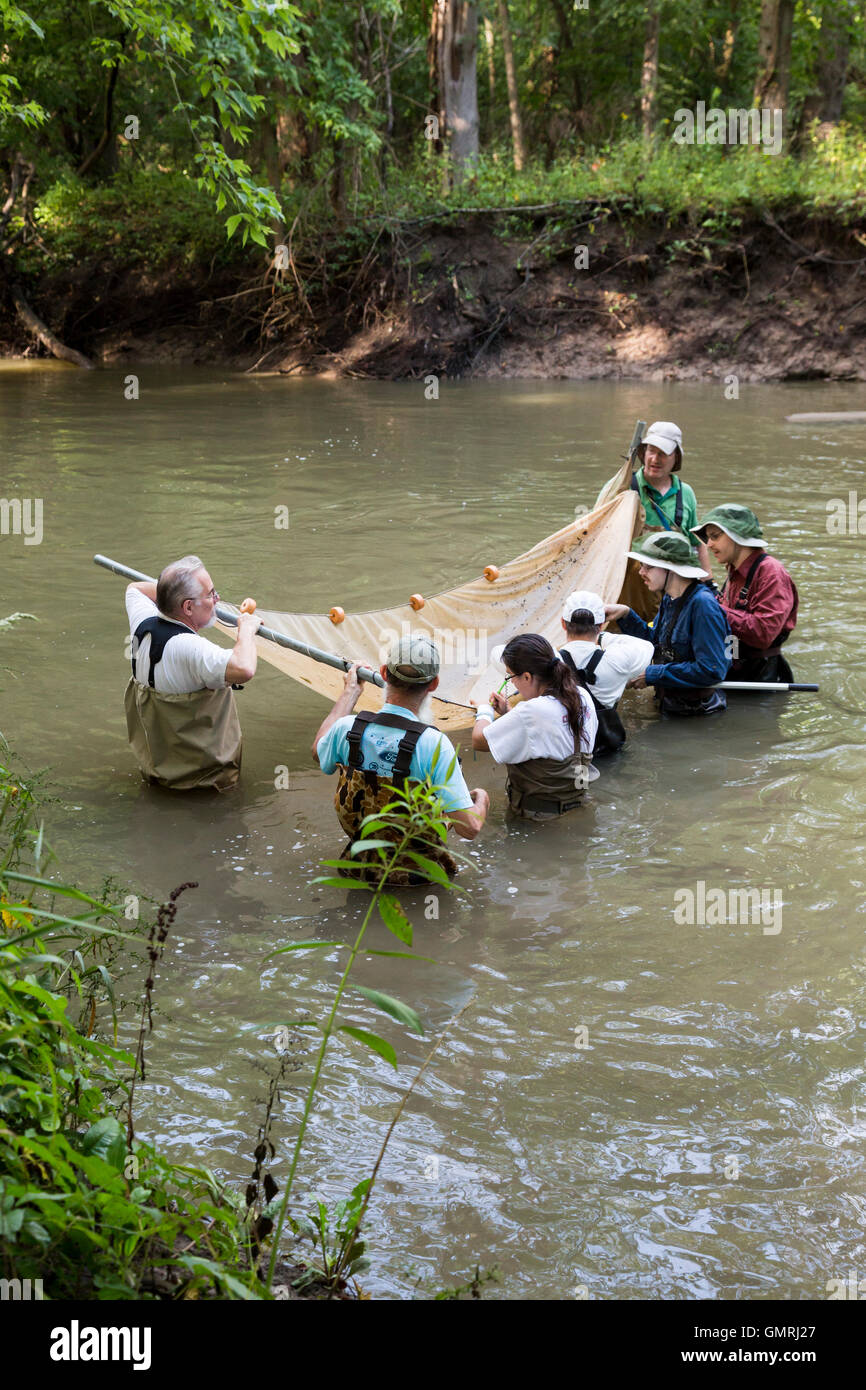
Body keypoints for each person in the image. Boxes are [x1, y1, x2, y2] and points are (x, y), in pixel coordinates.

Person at [313, 634, 487, 886]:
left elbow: (319, 751)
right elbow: (469, 828)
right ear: (434, 683)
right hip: (420, 880)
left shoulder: (347, 729)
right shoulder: (433, 744)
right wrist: (482, 798)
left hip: (359, 870)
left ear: (383, 672)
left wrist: (350, 693)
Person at [124, 556, 260, 791]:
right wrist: (246, 629)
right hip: (207, 787)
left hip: (157, 774)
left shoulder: (141, 619)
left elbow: (134, 588)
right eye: (210, 594)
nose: (217, 599)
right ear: (187, 607)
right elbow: (245, 668)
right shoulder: (190, 649)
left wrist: (171, 591)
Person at [471, 634, 598, 821]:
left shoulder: (531, 711)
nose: (511, 682)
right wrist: (509, 712)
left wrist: (483, 711)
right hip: (579, 806)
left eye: (511, 676)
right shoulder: (582, 695)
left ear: (527, 676)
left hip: (538, 818)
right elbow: (548, 729)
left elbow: (479, 741)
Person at [605, 532, 731, 716]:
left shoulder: (703, 605)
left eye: (648, 567)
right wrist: (625, 614)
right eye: (642, 566)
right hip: (671, 703)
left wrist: (653, 675)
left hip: (697, 713)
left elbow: (711, 670)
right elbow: (656, 643)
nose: (641, 572)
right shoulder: (670, 598)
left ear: (671, 569)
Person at [598, 421, 711, 621]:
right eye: (651, 450)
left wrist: (708, 581)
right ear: (642, 453)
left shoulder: (686, 493)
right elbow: (595, 537)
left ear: (676, 457)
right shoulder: (622, 487)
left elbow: (697, 542)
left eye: (663, 453)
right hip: (629, 591)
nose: (654, 459)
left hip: (672, 594)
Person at [693, 504, 799, 684]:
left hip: (761, 678)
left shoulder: (771, 573)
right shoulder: (733, 569)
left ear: (737, 536)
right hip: (733, 667)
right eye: (708, 538)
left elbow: (763, 634)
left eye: (715, 537)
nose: (709, 544)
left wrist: (712, 610)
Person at [558, 589, 654, 756]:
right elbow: (647, 646)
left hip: (565, 751)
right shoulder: (618, 659)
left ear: (563, 624)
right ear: (601, 626)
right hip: (605, 751)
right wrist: (602, 637)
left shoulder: (549, 660)